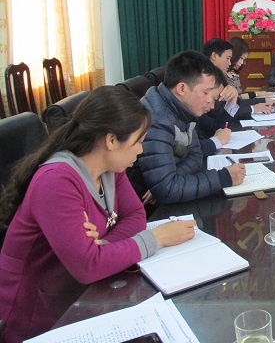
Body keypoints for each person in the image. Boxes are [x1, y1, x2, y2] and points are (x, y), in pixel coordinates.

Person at [0, 86, 196, 343]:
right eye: (137, 142)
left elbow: (135, 215)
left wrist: (102, 247)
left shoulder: (110, 168)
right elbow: (88, 267)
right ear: (111, 140)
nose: (140, 150)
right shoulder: (56, 181)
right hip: (37, 315)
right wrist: (156, 238)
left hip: (80, 295)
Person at [130, 51, 246, 205]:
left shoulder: (182, 110)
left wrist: (174, 178)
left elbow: (196, 155)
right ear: (182, 89)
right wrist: (223, 178)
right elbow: (167, 190)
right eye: (206, 93)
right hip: (146, 206)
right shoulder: (157, 120)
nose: (211, 104)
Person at [198, 39, 275, 157]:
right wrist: (253, 107)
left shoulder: (218, 76)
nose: (230, 63)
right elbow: (218, 112)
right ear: (214, 56)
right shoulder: (203, 79)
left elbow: (220, 124)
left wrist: (235, 101)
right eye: (228, 58)